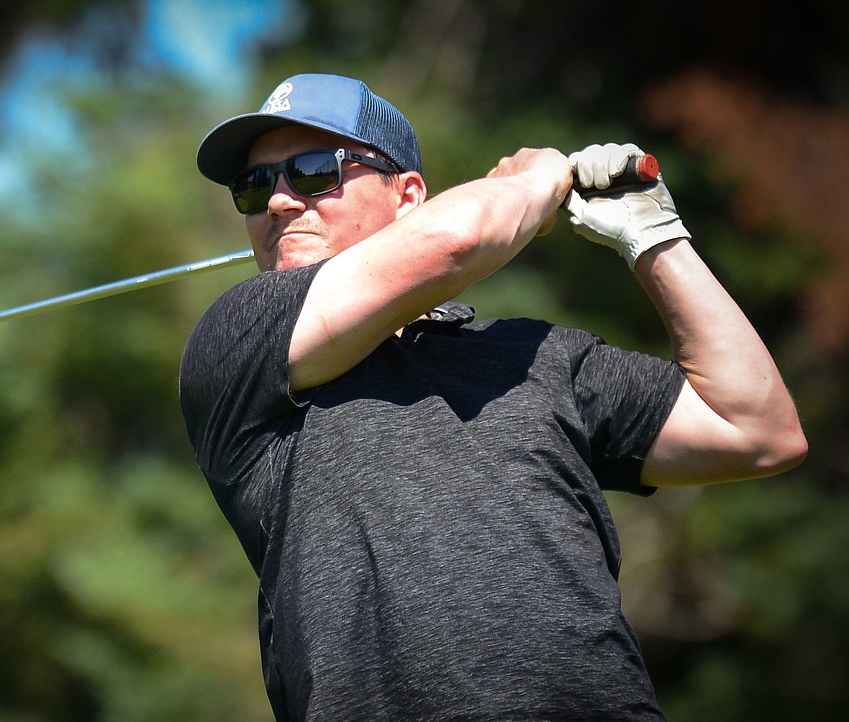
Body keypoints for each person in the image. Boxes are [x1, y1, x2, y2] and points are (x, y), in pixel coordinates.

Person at [178, 73, 807, 721]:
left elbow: (756, 427)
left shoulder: (538, 358)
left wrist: (655, 238)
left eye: (312, 172)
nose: (277, 203)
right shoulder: (238, 342)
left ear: (408, 196)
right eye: (253, 187)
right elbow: (457, 239)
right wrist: (534, 178)